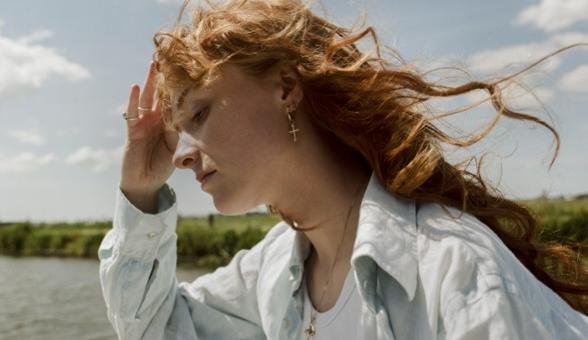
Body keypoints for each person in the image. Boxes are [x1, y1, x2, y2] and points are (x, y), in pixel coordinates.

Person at [98, 0, 588, 339]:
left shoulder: (452, 268)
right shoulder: (272, 267)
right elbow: (157, 327)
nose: (181, 154)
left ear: (287, 86)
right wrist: (138, 194)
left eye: (199, 114)